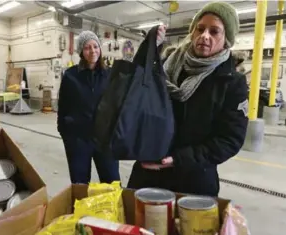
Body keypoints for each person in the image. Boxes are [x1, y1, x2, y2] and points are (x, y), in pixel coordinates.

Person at [127, 2, 249, 197]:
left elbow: (229, 139)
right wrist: (148, 51)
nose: (205, 36)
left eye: (214, 31)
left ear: (226, 39)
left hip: (194, 181)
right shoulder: (166, 66)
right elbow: (137, 100)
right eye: (200, 29)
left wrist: (178, 158)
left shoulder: (231, 83)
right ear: (192, 32)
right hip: (148, 172)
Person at [57, 30, 120, 184]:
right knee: (80, 184)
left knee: (112, 183)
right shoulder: (70, 76)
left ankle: (112, 209)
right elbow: (63, 106)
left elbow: (116, 105)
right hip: (78, 140)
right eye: (87, 47)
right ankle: (81, 208)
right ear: (81, 51)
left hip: (105, 140)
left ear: (100, 48)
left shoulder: (110, 75)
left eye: (95, 46)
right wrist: (66, 133)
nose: (92, 51)